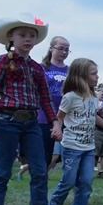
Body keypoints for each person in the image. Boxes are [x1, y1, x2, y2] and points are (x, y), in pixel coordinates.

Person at [0, 13, 63, 205]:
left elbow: (45, 98)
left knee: (39, 171)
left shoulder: (36, 68)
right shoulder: (1, 62)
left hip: (32, 123)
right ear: (11, 37)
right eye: (22, 35)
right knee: (1, 173)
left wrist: (55, 122)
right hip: (7, 121)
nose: (28, 39)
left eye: (32, 36)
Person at [49, 58, 103, 205]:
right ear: (81, 76)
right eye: (93, 73)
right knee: (67, 182)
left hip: (88, 148)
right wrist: (57, 129)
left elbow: (93, 116)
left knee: (86, 182)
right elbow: (59, 118)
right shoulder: (70, 97)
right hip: (72, 146)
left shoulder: (92, 97)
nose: (97, 77)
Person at [39, 36, 70, 168]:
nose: (64, 52)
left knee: (66, 153)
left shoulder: (70, 71)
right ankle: (41, 181)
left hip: (65, 116)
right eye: (61, 48)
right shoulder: (42, 68)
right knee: (44, 153)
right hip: (44, 116)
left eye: (67, 50)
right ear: (51, 48)